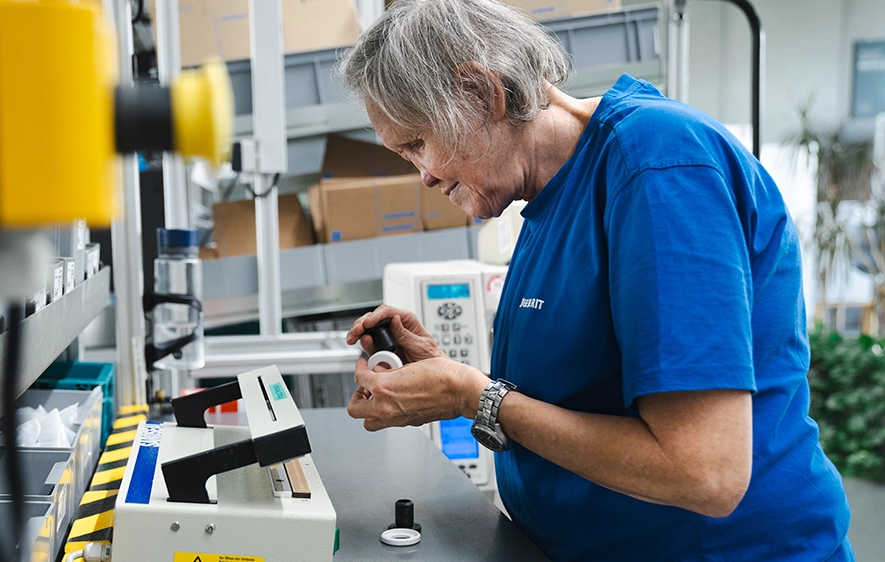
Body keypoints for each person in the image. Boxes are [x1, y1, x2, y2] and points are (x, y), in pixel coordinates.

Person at [339, 0, 854, 560]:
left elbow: (706, 474)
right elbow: (586, 396)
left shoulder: (657, 165)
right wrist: (447, 379)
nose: (426, 175)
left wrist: (474, 395)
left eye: (419, 143)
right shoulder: (546, 198)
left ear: (484, 93)